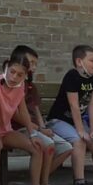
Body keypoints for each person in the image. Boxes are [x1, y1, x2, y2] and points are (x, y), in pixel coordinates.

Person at [0, 52, 65, 185]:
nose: (14, 77)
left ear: (25, 76)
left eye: (19, 75)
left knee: (37, 146)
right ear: (7, 67)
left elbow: (23, 111)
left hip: (6, 130)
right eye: (12, 72)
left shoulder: (19, 86)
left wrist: (33, 133)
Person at [45, 45, 93, 185]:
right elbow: (74, 106)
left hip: (76, 122)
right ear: (79, 61)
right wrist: (81, 130)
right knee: (79, 140)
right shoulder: (72, 76)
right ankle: (79, 184)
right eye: (92, 60)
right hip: (58, 120)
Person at [10, 45, 73, 175]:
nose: (33, 67)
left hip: (36, 128)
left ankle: (41, 180)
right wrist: (38, 129)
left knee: (66, 148)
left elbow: (36, 109)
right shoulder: (13, 84)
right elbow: (15, 114)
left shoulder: (31, 86)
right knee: (47, 144)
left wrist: (42, 126)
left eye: (35, 64)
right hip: (20, 128)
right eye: (31, 62)